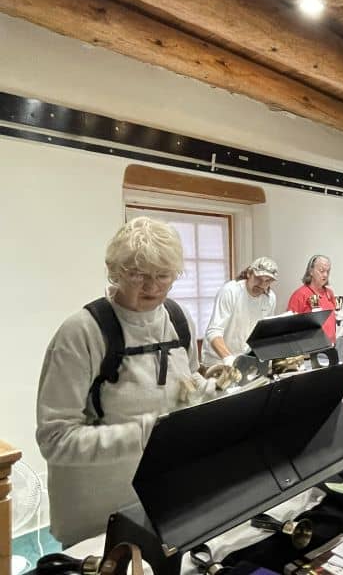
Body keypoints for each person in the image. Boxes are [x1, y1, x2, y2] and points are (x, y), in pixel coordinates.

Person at [36, 217, 238, 546]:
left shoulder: (177, 318)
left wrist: (209, 389)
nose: (152, 287)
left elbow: (184, 386)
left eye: (163, 276)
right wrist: (146, 433)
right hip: (97, 516)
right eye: (138, 275)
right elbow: (55, 439)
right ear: (114, 270)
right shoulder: (81, 333)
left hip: (165, 499)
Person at [202, 256, 278, 367]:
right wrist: (228, 358)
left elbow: (265, 332)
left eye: (267, 281)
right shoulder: (230, 291)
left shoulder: (270, 298)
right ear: (249, 274)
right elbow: (214, 331)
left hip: (245, 360)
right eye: (258, 278)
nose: (262, 285)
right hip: (218, 361)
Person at [286, 255, 338, 343]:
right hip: (310, 348)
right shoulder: (300, 294)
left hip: (330, 346)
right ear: (311, 271)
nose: (325, 275)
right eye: (321, 271)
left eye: (328, 271)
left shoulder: (329, 293)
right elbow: (289, 325)